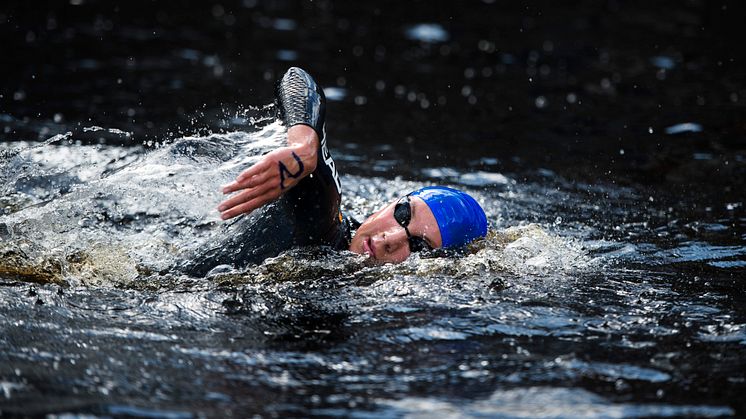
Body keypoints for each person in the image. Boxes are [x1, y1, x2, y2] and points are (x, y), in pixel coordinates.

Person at [185, 67, 488, 275]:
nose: (390, 239)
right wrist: (305, 146)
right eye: (404, 214)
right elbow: (298, 79)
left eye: (419, 247)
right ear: (390, 204)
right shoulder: (321, 220)